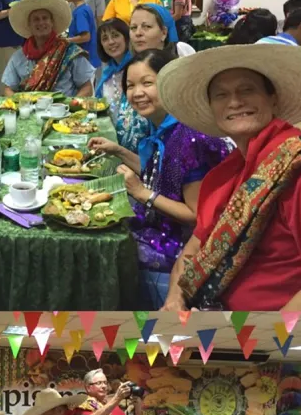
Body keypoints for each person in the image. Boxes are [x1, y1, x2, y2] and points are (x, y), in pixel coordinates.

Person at [156, 43, 301, 310]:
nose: (234, 102)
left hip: (268, 341)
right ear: (212, 108)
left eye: (247, 89)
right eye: (221, 95)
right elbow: (191, 253)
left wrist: (260, 343)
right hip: (213, 322)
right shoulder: (228, 174)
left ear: (273, 99)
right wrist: (175, 301)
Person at [88, 50, 231, 306]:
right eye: (130, 86)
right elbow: (159, 172)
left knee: (102, 248)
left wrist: (142, 193)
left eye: (147, 83)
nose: (137, 93)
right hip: (163, 223)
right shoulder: (164, 126)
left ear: (170, 84)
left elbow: (198, 216)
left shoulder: (188, 136)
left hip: (185, 243)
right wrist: (118, 151)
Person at [1, 0, 94, 98]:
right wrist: (20, 105)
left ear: (52, 22)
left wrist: (72, 106)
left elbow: (87, 87)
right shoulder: (19, 56)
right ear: (29, 25)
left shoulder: (69, 52)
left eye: (45, 18)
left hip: (64, 112)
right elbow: (8, 89)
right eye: (36, 19)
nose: (41, 22)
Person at [94, 19, 149, 154]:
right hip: (111, 144)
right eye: (105, 39)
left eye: (115, 35)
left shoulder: (139, 68)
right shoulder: (107, 74)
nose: (111, 42)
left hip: (139, 148)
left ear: (126, 37)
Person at [130, 4, 195, 58]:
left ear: (164, 33)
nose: (138, 33)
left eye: (147, 26)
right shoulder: (125, 66)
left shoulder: (182, 53)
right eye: (133, 27)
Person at [66, 0, 101, 69]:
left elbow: (86, 37)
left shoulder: (80, 12)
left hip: (86, 60)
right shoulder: (85, 7)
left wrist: (66, 41)